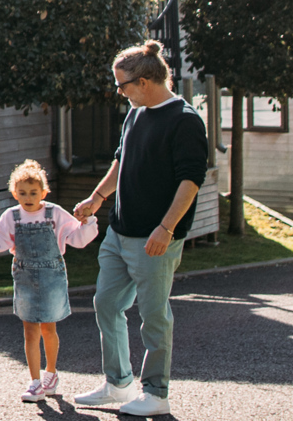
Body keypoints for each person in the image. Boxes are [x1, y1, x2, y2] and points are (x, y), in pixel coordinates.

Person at [68, 40, 209, 417]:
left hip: (155, 238)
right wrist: (97, 199)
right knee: (107, 303)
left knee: (154, 316)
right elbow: (121, 160)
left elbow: (190, 181)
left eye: (122, 85)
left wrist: (166, 228)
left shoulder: (185, 120)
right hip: (120, 231)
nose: (119, 92)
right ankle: (118, 384)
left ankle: (156, 393)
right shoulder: (135, 114)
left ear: (145, 81)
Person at [0, 159, 99, 403]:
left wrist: (88, 222)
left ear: (43, 192)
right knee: (30, 331)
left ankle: (50, 373)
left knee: (48, 329)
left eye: (33, 192)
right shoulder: (12, 216)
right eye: (22, 193)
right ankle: (34, 382)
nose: (28, 197)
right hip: (25, 279)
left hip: (52, 277)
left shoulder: (54, 214)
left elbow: (77, 238)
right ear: (14, 193)